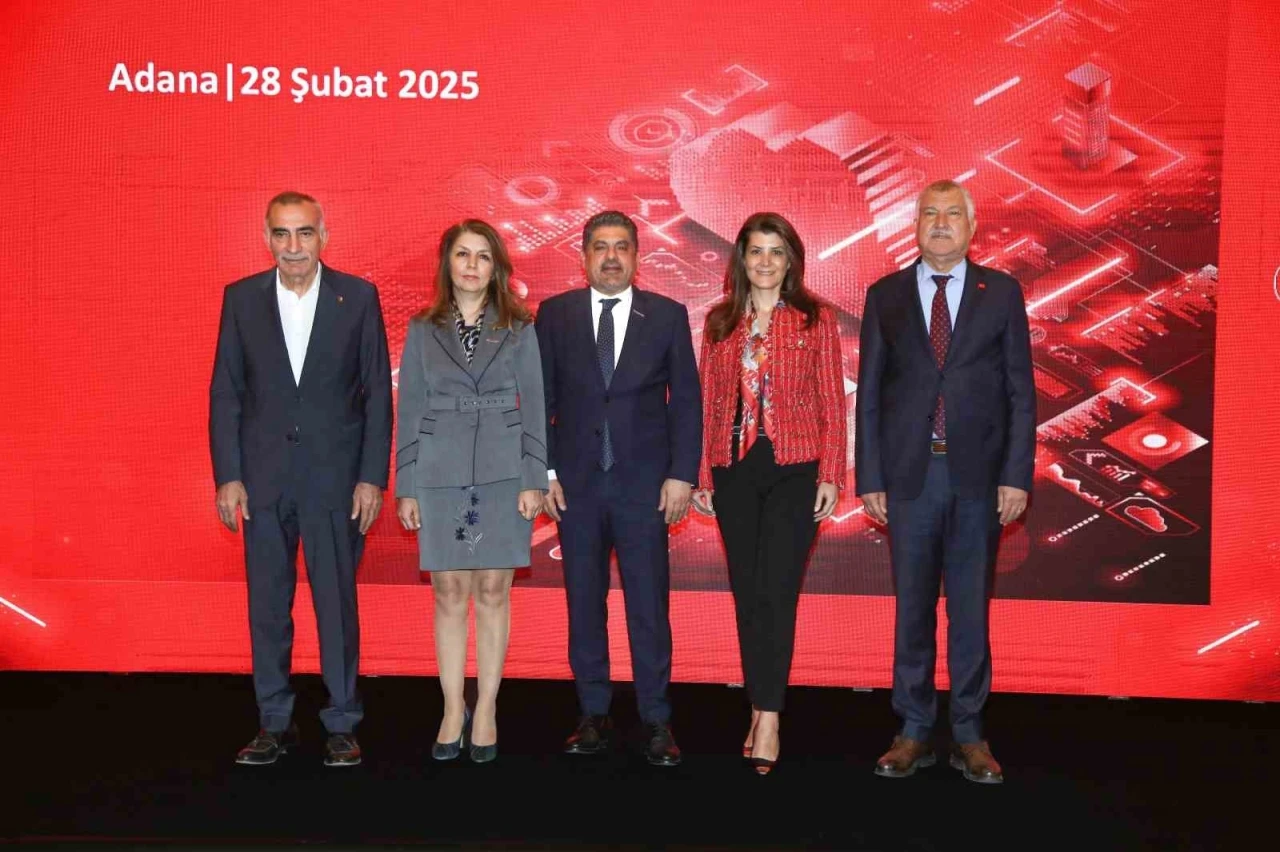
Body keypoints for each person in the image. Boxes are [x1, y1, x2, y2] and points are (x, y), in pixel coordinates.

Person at [855, 179, 1035, 784]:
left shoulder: (1001, 292)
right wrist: (870, 475)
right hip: (909, 477)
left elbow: (1021, 392)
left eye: (952, 213)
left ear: (971, 226)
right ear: (914, 225)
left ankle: (969, 734)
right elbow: (870, 396)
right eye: (929, 213)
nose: (940, 223)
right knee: (912, 610)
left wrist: (1016, 475)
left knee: (969, 612)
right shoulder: (885, 295)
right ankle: (911, 729)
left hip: (979, 480)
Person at [210, 191, 392, 767]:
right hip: (262, 481)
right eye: (282, 234)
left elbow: (377, 394)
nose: (294, 246)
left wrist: (371, 477)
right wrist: (228, 475)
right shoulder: (240, 299)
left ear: (324, 237)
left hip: (335, 481)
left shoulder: (357, 297)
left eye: (305, 233)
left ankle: (342, 722)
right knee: (268, 606)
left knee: (336, 605)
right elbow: (226, 393)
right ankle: (273, 722)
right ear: (266, 239)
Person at [535, 210, 702, 766]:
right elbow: (541, 399)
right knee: (584, 604)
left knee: (648, 606)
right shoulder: (555, 314)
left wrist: (681, 475)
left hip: (645, 488)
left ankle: (656, 719)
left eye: (622, 246)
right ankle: (592, 714)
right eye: (601, 247)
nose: (611, 257)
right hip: (575, 488)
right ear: (583, 256)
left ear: (637, 255)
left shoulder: (668, 315)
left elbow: (687, 402)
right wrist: (546, 473)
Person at [691, 212, 846, 775]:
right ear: (741, 259)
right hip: (734, 468)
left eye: (776, 251)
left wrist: (831, 473)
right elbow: (707, 401)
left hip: (795, 468)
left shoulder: (815, 319)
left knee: (777, 592)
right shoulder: (719, 322)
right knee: (748, 593)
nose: (765, 261)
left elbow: (833, 400)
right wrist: (703, 474)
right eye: (756, 251)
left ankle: (770, 717)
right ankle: (758, 705)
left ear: (791, 261)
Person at [394, 220, 548, 764]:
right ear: (448, 263)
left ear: (496, 267)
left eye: (483, 256)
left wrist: (534, 478)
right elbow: (409, 407)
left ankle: (486, 708)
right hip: (438, 470)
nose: (472, 265)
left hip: (506, 470)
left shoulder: (520, 326)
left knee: (493, 590)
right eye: (463, 254)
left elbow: (535, 403)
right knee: (448, 591)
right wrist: (405, 485)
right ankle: (451, 708)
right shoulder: (422, 328)